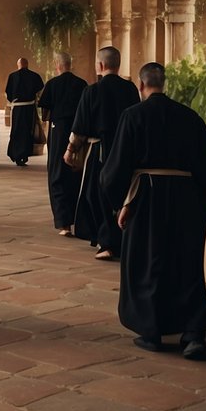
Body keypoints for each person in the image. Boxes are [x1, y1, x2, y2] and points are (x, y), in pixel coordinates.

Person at [99, 62, 206, 359]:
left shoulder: (133, 116)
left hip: (146, 199)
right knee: (187, 263)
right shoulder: (189, 117)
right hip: (186, 200)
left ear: (141, 86)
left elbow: (114, 171)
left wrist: (120, 202)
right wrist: (204, 203)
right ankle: (193, 334)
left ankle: (152, 331)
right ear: (164, 84)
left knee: (148, 261)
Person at [63, 46, 139, 260]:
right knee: (122, 193)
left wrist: (70, 150)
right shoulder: (131, 89)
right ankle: (117, 239)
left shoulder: (92, 91)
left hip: (100, 151)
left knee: (95, 194)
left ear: (101, 65)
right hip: (126, 149)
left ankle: (107, 243)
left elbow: (80, 126)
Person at [38, 51, 87, 235]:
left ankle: (63, 223)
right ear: (70, 64)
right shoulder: (81, 84)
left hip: (58, 132)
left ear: (56, 64)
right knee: (75, 174)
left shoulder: (52, 84)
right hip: (78, 131)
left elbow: (45, 111)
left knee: (56, 174)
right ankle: (74, 218)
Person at [5, 57, 44, 165]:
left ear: (18, 65)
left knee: (16, 130)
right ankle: (25, 155)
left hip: (17, 108)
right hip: (29, 108)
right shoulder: (35, 76)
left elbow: (8, 94)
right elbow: (40, 92)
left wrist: (12, 102)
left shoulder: (12, 76)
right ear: (27, 64)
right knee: (28, 131)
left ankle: (17, 155)